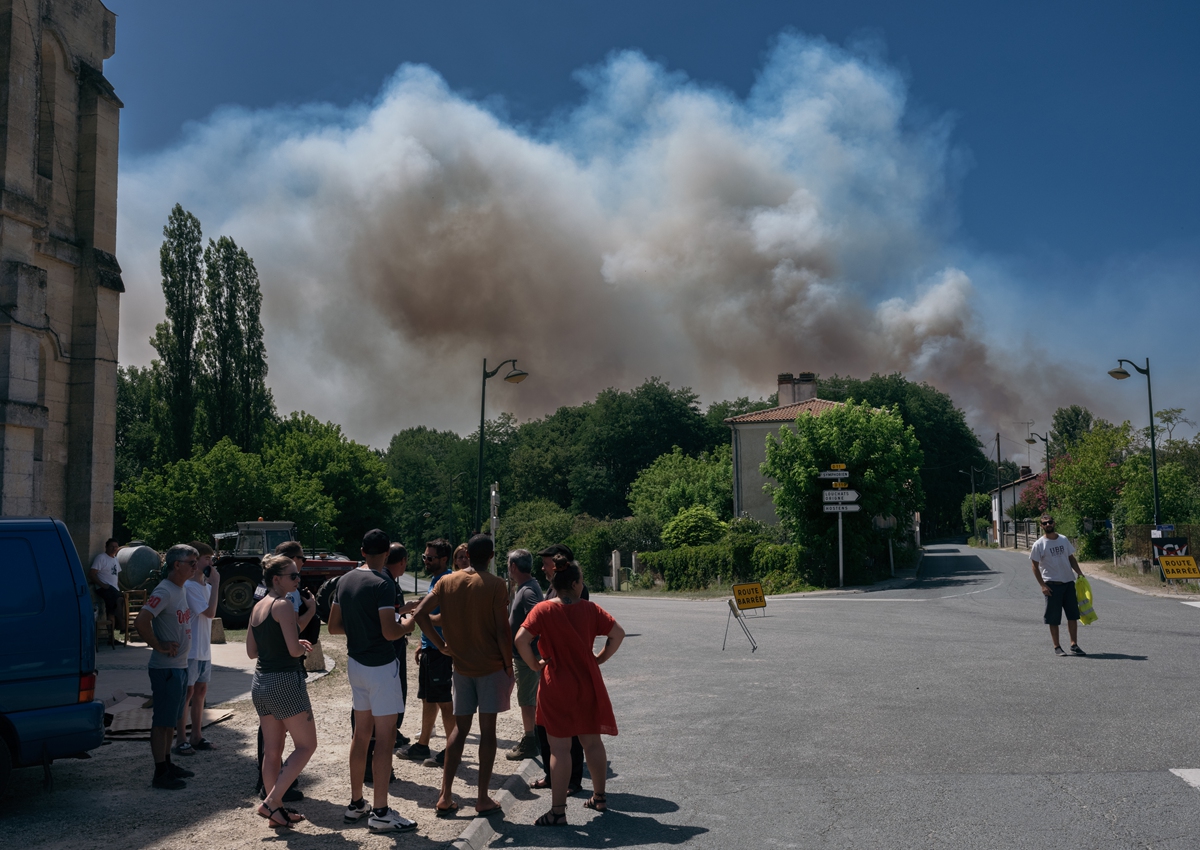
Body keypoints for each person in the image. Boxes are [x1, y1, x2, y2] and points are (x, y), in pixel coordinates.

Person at [515, 558, 625, 826]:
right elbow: (618, 634)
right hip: (587, 682)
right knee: (592, 743)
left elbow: (520, 639)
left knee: (559, 749)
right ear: (575, 584)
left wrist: (535, 665)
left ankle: (558, 811)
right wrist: (599, 658)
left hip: (556, 685)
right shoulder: (590, 609)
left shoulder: (542, 610)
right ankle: (599, 797)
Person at [413, 533, 512, 817]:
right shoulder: (496, 585)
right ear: (491, 556)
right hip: (491, 666)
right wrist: (508, 665)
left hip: (460, 666)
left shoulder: (447, 581)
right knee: (488, 732)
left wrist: (441, 644)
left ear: (467, 554)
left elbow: (420, 614)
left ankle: (445, 795)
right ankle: (482, 798)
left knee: (459, 730)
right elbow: (502, 630)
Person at [327, 529, 418, 833]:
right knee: (385, 738)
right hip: (381, 666)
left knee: (361, 734)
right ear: (386, 555)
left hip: (356, 663)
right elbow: (391, 632)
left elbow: (334, 627)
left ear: (362, 551)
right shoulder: (383, 583)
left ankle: (356, 804)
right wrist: (408, 623)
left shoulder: (346, 580)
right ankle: (380, 810)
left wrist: (363, 629)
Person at [247, 555, 317, 830]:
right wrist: (302, 646)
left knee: (272, 750)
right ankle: (271, 801)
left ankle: (275, 808)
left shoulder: (258, 606)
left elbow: (252, 651)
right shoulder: (284, 605)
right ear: (276, 579)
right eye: (293, 576)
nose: (298, 580)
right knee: (307, 745)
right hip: (285, 681)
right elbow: (293, 651)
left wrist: (291, 641)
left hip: (260, 682)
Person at [134, 544, 197, 790]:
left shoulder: (179, 589)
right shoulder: (165, 590)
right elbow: (142, 620)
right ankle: (160, 772)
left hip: (178, 667)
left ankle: (168, 764)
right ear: (176, 565)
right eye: (191, 562)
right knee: (162, 722)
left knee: (171, 720)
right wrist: (158, 645)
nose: (195, 566)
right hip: (166, 669)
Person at [531, 544, 585, 793]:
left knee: (570, 729)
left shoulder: (576, 591)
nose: (543, 568)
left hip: (568, 669)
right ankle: (551, 776)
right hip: (550, 667)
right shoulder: (553, 588)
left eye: (546, 564)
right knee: (544, 726)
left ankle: (572, 780)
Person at [404, 538, 455, 767]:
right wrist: (421, 643)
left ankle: (452, 750)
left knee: (444, 701)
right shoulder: (435, 579)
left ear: (444, 559)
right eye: (425, 557)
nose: (426, 560)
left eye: (430, 557)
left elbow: (447, 617)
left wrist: (421, 615)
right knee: (428, 699)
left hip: (441, 650)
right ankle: (423, 745)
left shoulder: (447, 580)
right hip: (430, 648)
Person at [174, 542, 220, 756]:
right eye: (206, 558)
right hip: (191, 650)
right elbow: (210, 613)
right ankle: (181, 738)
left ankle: (197, 736)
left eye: (211, 558)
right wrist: (217, 584)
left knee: (201, 691)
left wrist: (213, 586)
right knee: (187, 693)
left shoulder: (207, 587)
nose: (209, 562)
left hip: (204, 649)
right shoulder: (190, 587)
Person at [1030, 514, 1088, 657]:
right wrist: (1042, 585)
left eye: (1050, 522)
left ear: (1054, 523)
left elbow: (1071, 558)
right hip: (1052, 585)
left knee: (1072, 616)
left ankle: (1074, 645)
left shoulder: (1063, 539)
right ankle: (1057, 646)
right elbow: (1034, 567)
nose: (1048, 524)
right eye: (1045, 523)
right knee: (1054, 618)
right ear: (1041, 526)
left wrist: (1079, 573)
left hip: (1068, 583)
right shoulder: (1039, 544)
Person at [505, 548, 543, 761]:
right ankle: (534, 737)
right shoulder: (527, 587)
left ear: (513, 567)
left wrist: (527, 644)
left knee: (526, 700)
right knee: (529, 698)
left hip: (527, 656)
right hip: (526, 654)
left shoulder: (528, 591)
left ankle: (530, 741)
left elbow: (537, 617)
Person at [89, 537, 123, 633]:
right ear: (106, 547)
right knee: (118, 601)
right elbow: (91, 574)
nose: (114, 549)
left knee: (112, 610)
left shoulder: (115, 559)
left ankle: (112, 637)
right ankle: (122, 625)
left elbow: (116, 575)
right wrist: (102, 585)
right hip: (105, 588)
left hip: (114, 589)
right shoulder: (101, 558)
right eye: (111, 546)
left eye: (116, 547)